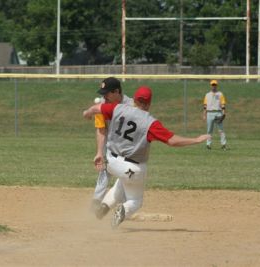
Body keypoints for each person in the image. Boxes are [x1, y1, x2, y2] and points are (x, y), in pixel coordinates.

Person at [83, 86, 210, 229]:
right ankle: (123, 210)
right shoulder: (150, 123)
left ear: (134, 100)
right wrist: (196, 140)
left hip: (112, 162)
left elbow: (97, 108)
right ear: (149, 104)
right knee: (135, 200)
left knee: (121, 183)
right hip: (133, 168)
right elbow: (172, 141)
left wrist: (87, 113)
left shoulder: (118, 108)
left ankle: (104, 207)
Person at [90, 77, 134, 215]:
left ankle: (125, 207)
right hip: (110, 145)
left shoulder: (131, 106)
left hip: (128, 147)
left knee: (127, 175)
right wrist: (99, 152)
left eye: (107, 93)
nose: (104, 97)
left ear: (117, 92)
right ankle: (96, 203)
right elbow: (101, 130)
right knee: (104, 171)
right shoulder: (101, 107)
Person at [203, 80, 227, 150]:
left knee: (221, 130)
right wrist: (204, 114)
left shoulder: (220, 94)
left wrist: (224, 112)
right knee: (209, 130)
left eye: (215, 85)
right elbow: (205, 106)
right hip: (209, 113)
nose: (214, 86)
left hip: (218, 112)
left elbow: (223, 104)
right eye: (212, 85)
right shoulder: (207, 95)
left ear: (217, 85)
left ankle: (223, 144)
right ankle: (208, 144)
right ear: (211, 86)